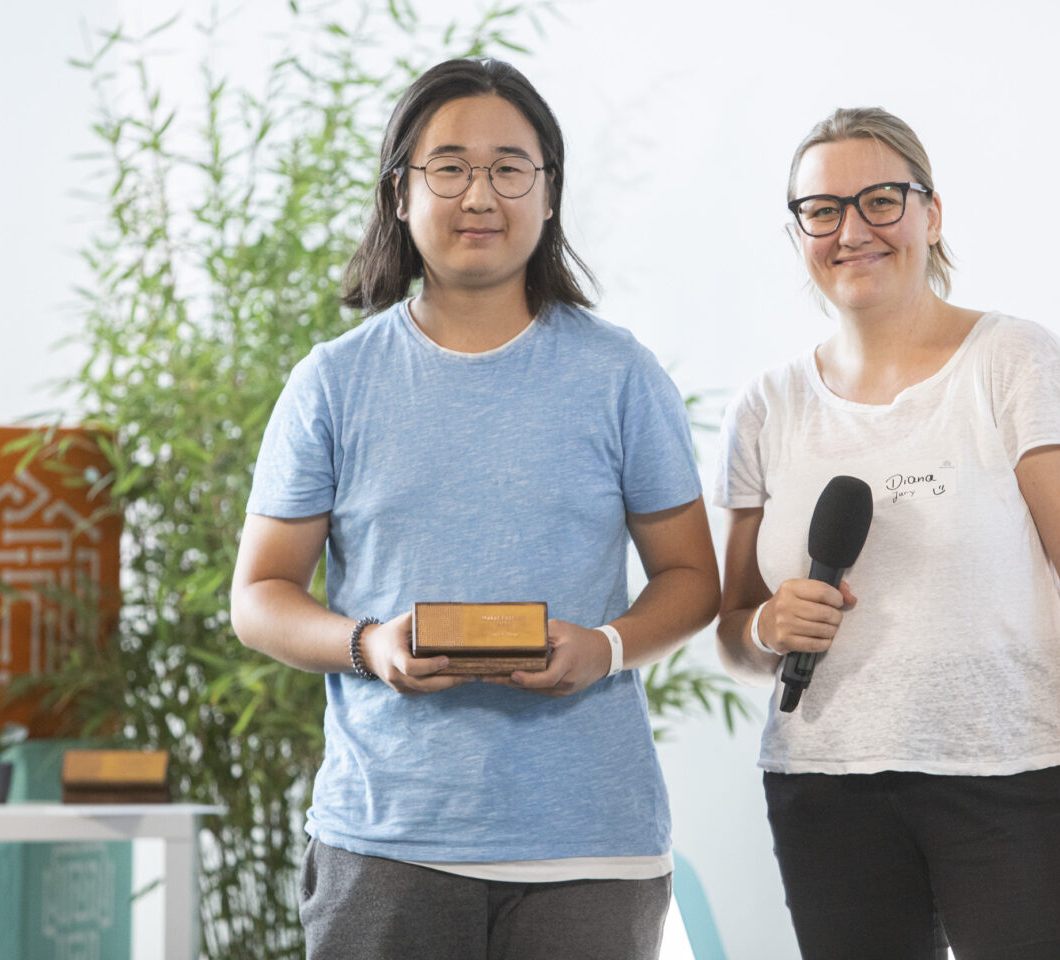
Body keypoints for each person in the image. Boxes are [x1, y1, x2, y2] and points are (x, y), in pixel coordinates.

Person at [231, 58, 719, 960]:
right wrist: (365, 645)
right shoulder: (332, 384)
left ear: (548, 191)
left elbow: (693, 579)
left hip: (590, 846)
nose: (479, 194)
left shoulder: (620, 376)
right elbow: (258, 594)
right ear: (401, 193)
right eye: (448, 167)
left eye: (509, 168)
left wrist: (604, 647)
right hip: (386, 846)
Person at [714, 107, 1060, 959]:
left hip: (1010, 788)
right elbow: (734, 626)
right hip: (824, 792)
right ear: (798, 231)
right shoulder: (765, 406)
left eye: (881, 201)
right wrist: (766, 627)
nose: (852, 230)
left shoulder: (1018, 363)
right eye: (822, 210)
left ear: (931, 213)